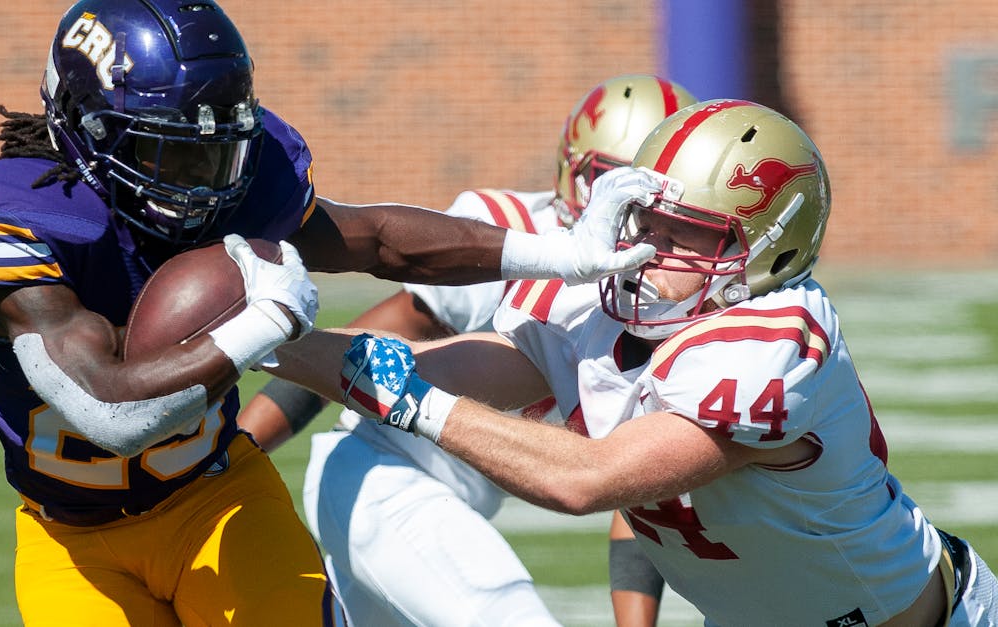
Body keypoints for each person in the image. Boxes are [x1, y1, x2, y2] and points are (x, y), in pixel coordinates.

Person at [0, 1, 645, 625]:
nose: (200, 183)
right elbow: (111, 412)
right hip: (74, 539)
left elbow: (379, 239)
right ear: (85, 129)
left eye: (214, 152)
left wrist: (564, 251)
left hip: (213, 494)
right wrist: (260, 323)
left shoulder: (232, 177)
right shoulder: (20, 219)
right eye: (169, 154)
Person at [268, 100, 998, 626]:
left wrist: (409, 399)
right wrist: (272, 341)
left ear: (769, 253)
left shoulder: (776, 339)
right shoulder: (603, 301)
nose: (652, 250)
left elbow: (586, 479)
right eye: (646, 220)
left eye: (689, 236)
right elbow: (464, 362)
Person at [238, 74, 694, 627]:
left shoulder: (670, 293)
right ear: (570, 169)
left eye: (643, 195)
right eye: (605, 182)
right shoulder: (518, 233)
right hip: (385, 477)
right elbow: (358, 353)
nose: (623, 212)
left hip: (450, 508)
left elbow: (639, 481)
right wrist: (236, 453)